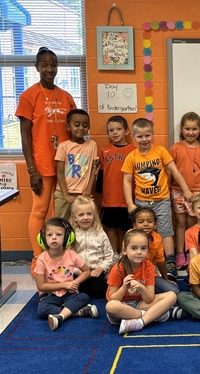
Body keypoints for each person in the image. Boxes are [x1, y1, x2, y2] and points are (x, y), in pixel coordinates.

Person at [17, 47, 77, 278]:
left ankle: (61, 254)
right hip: (41, 164)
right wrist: (31, 169)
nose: (49, 69)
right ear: (37, 67)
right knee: (40, 211)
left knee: (62, 210)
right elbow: (25, 136)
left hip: (65, 165)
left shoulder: (66, 97)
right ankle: (37, 256)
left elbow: (75, 131)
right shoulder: (29, 96)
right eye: (44, 65)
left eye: (53, 65)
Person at [122, 118, 193, 282]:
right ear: (133, 137)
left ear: (152, 135)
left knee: (165, 231)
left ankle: (169, 262)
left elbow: (174, 171)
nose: (144, 139)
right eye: (140, 137)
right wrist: (130, 204)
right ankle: (146, 263)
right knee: (143, 231)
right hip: (141, 201)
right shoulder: (132, 157)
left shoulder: (160, 151)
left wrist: (186, 190)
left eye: (147, 135)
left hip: (161, 200)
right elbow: (126, 181)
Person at [105, 229, 177, 335]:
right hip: (122, 305)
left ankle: (140, 322)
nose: (139, 252)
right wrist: (124, 287)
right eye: (134, 248)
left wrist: (142, 288)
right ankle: (152, 315)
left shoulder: (149, 266)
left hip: (140, 303)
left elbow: (149, 299)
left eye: (143, 248)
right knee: (110, 306)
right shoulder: (118, 268)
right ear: (124, 250)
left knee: (172, 295)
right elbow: (113, 298)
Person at [35, 217, 97, 331]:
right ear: (43, 238)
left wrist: (74, 282)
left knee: (84, 297)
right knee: (41, 310)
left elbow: (87, 271)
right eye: (49, 235)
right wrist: (64, 285)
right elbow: (41, 286)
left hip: (69, 293)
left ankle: (60, 316)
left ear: (67, 237)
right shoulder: (41, 259)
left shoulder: (71, 254)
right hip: (50, 295)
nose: (54, 238)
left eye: (59, 234)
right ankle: (78, 312)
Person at [169, 112, 200, 270]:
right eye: (187, 128)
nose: (191, 132)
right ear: (181, 129)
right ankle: (179, 253)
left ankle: (190, 252)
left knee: (193, 223)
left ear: (199, 130)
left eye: (194, 129)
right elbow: (170, 171)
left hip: (197, 193)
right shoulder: (175, 148)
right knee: (180, 222)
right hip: (177, 191)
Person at [97, 115, 136, 256]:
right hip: (109, 198)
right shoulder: (104, 150)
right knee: (111, 228)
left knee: (127, 228)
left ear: (126, 131)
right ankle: (113, 253)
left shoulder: (134, 151)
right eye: (111, 130)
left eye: (119, 129)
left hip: (127, 200)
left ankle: (125, 252)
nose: (115, 132)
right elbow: (101, 175)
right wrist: (99, 196)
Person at [54, 109, 98, 220]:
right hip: (63, 193)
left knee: (82, 222)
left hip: (82, 194)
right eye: (77, 125)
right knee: (61, 223)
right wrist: (65, 194)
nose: (81, 128)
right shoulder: (63, 146)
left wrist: (88, 189)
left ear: (89, 127)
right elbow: (59, 172)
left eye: (85, 125)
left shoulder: (92, 145)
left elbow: (93, 170)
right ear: (68, 127)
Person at [69, 196, 114, 299]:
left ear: (94, 215)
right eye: (81, 214)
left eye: (89, 214)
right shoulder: (72, 235)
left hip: (96, 271)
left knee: (98, 289)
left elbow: (109, 255)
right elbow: (67, 257)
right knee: (77, 290)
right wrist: (76, 270)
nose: (85, 217)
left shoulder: (100, 233)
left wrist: (101, 268)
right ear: (75, 217)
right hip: (79, 272)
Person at [130, 207, 179, 294]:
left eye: (150, 221)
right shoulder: (129, 236)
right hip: (132, 275)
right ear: (134, 225)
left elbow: (160, 261)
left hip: (149, 275)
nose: (145, 224)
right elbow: (125, 261)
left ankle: (148, 292)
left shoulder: (157, 238)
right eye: (141, 222)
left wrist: (165, 279)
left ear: (155, 225)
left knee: (174, 290)